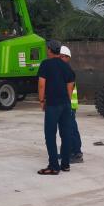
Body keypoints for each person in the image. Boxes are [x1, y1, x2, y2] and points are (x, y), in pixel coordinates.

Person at [37, 39, 76, 175]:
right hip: (65, 104)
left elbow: (42, 84)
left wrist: (42, 101)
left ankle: (53, 166)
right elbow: (70, 85)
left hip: (52, 104)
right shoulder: (66, 65)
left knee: (50, 134)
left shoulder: (46, 64)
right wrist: (67, 101)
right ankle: (65, 165)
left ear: (49, 50)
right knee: (65, 134)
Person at [59, 45, 83, 163]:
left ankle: (77, 153)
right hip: (66, 104)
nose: (60, 58)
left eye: (62, 56)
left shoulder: (68, 71)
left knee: (71, 129)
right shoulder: (63, 69)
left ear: (67, 57)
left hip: (70, 105)